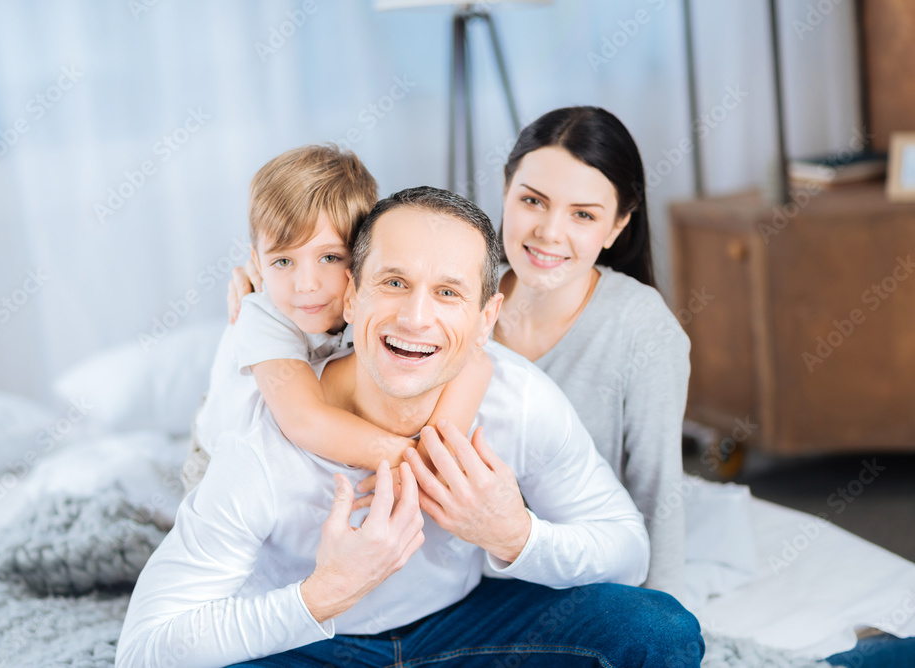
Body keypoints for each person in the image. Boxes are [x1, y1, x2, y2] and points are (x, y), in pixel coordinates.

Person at [116, 186, 704, 667]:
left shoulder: (517, 400)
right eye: (394, 283)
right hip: (308, 642)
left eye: (448, 292)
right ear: (351, 296)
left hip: (463, 628)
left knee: (658, 630)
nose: (416, 318)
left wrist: (513, 534)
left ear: (486, 319)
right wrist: (321, 595)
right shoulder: (261, 440)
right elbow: (143, 650)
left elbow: (627, 552)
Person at [230, 107, 691, 602]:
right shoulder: (448, 288)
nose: (550, 232)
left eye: (583, 214)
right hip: (448, 568)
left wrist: (663, 600)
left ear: (617, 226)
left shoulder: (638, 328)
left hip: (549, 552)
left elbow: (656, 488)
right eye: (532, 201)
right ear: (506, 191)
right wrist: (274, 291)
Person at [183, 144, 491, 494]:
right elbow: (304, 420)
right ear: (258, 261)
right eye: (283, 261)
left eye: (329, 257)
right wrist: (417, 465)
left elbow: (478, 362)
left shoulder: (372, 299)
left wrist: (434, 456)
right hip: (217, 454)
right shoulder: (262, 316)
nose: (306, 284)